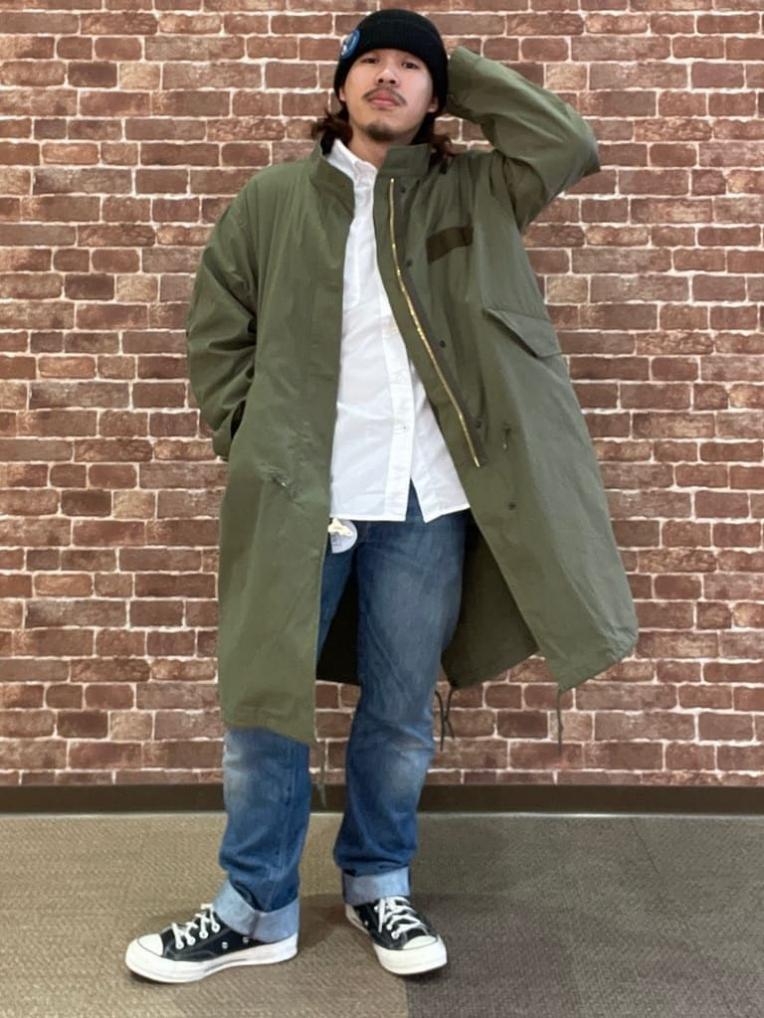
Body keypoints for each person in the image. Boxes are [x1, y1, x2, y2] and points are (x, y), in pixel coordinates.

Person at [126, 6, 634, 986]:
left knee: (400, 714)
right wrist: (250, 440)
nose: (389, 77)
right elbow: (216, 331)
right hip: (299, 495)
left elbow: (567, 144)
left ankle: (376, 882)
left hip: (424, 500)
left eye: (411, 67)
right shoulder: (274, 199)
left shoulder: (475, 189)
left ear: (437, 95)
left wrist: (454, 67)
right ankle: (254, 905)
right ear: (340, 82)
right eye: (373, 62)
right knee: (264, 708)